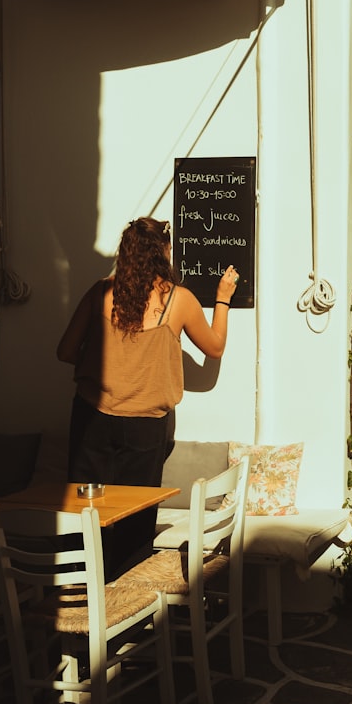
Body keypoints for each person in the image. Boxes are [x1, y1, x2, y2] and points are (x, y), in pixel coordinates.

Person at [56, 216, 239, 579]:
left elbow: (65, 350)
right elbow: (214, 348)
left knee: (83, 512)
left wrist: (105, 360)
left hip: (92, 418)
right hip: (146, 426)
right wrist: (222, 299)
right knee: (136, 520)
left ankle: (77, 601)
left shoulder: (100, 293)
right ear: (164, 253)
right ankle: (126, 606)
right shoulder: (178, 300)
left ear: (126, 254)